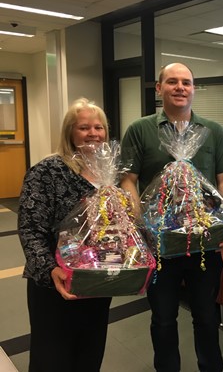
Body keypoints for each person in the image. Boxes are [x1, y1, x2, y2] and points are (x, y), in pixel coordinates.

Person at [120, 62, 223, 372]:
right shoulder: (140, 129)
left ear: (194, 89)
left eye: (186, 82)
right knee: (163, 317)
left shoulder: (212, 131)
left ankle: (212, 367)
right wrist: (141, 220)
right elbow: (128, 179)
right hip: (159, 245)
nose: (180, 87)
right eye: (172, 81)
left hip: (203, 244)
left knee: (207, 316)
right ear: (159, 88)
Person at [17, 98, 112, 372]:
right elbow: (30, 228)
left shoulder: (107, 176)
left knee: (90, 355)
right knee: (52, 358)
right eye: (84, 127)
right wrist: (49, 269)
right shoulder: (47, 171)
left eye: (99, 127)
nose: (93, 133)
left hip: (97, 283)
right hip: (55, 285)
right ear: (70, 132)